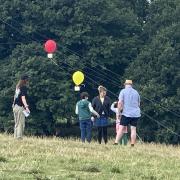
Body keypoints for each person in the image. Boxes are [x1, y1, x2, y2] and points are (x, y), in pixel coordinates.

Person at [114, 80, 141, 146]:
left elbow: (120, 103)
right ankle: (132, 144)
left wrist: (119, 113)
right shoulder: (136, 92)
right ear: (131, 85)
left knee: (121, 128)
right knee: (133, 129)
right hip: (136, 114)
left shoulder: (123, 91)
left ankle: (116, 142)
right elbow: (139, 104)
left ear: (125, 84)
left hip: (126, 113)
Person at [12, 75, 30, 139]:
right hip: (20, 107)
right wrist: (26, 107)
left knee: (16, 123)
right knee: (21, 123)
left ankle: (15, 136)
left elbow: (15, 97)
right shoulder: (23, 87)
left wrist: (13, 105)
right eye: (27, 80)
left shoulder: (18, 87)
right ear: (25, 80)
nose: (28, 81)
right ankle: (19, 137)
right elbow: (23, 98)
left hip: (15, 106)